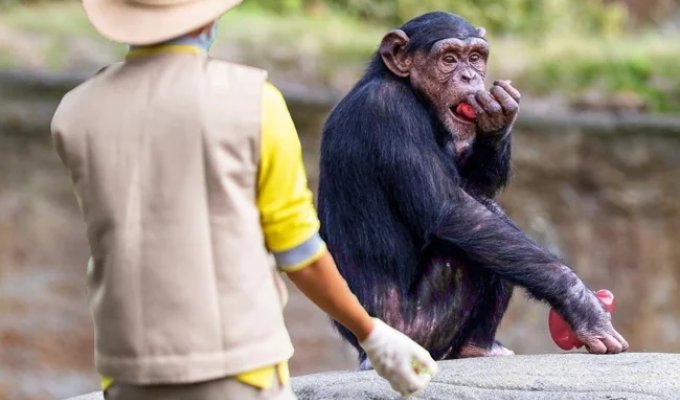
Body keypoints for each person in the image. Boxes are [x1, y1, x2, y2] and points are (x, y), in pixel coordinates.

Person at [50, 0, 438, 399]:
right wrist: (371, 333)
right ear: (205, 15)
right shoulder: (253, 101)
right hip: (237, 366)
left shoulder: (74, 112)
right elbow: (296, 249)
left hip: (126, 367)